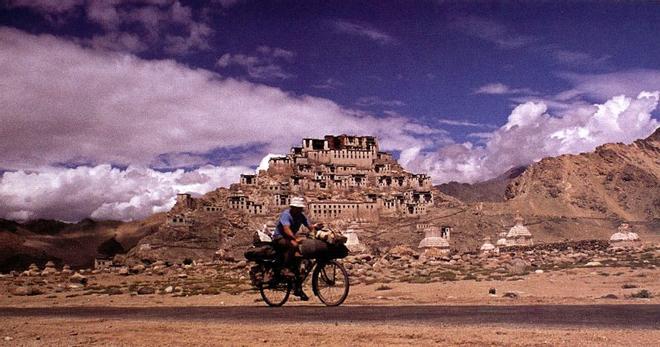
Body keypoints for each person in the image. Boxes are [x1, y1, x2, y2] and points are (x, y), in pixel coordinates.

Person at [272, 197, 321, 301]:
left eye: (300, 208)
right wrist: (295, 238)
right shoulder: (286, 214)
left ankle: (297, 287)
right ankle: (285, 269)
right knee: (294, 245)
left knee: (303, 258)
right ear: (292, 207)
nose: (299, 210)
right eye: (297, 208)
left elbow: (309, 226)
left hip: (290, 237)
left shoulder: (301, 216)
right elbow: (286, 229)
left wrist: (317, 229)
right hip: (279, 237)